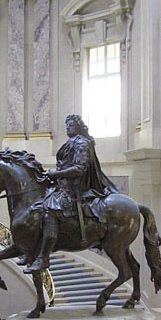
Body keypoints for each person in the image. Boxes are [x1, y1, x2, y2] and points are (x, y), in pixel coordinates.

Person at [23, 114, 119, 274]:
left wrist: (56, 174)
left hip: (76, 188)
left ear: (79, 127)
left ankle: (43, 258)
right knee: (38, 206)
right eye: (66, 125)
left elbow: (79, 169)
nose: (67, 127)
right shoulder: (72, 142)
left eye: (71, 125)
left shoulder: (81, 143)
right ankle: (30, 250)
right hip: (63, 185)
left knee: (51, 212)